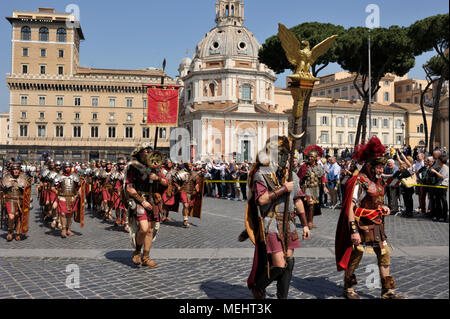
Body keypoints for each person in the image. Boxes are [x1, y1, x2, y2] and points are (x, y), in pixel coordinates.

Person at [335, 136, 404, 299]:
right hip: (361, 225)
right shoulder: (359, 181)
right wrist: (353, 232)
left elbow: (375, 202)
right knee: (357, 252)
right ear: (369, 166)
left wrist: (383, 207)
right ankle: (348, 287)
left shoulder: (379, 182)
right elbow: (351, 209)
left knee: (384, 253)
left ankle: (387, 290)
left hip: (377, 225)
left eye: (382, 167)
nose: (381, 170)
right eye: (379, 167)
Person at [242, 136, 310, 299]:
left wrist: (305, 224)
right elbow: (262, 199)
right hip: (270, 222)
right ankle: (258, 287)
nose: (284, 158)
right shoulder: (262, 174)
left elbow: (298, 200)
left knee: (289, 263)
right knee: (279, 265)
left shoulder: (292, 175)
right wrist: (283, 189)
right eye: (280, 154)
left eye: (286, 154)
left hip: (289, 223)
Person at [125, 142, 161, 267]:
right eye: (145, 150)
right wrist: (142, 201)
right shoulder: (133, 167)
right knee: (144, 228)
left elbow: (167, 183)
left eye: (149, 150)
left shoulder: (156, 167)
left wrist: (158, 179)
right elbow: (129, 188)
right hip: (140, 200)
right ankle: (137, 251)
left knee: (150, 230)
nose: (147, 152)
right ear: (139, 153)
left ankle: (146, 257)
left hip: (153, 200)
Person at [297, 145, 327, 228]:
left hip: (315, 188)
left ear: (315, 158)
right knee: (309, 204)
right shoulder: (304, 166)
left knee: (313, 205)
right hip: (306, 188)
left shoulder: (319, 167)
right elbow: (298, 177)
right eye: (309, 156)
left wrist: (324, 187)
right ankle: (307, 222)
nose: (309, 158)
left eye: (311, 157)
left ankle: (310, 221)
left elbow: (322, 178)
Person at [1, 163, 30, 241]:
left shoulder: (23, 178)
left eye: (17, 169)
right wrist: (4, 195)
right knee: (11, 217)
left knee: (19, 217)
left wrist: (26, 198)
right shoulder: (6, 178)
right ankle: (10, 232)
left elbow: (27, 191)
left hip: (20, 201)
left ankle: (17, 233)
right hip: (10, 200)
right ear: (11, 170)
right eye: (14, 169)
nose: (16, 171)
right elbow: (2, 189)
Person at [52, 162, 82, 238]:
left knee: (70, 215)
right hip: (62, 197)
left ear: (71, 167)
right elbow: (52, 187)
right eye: (66, 167)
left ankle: (69, 229)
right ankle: (63, 229)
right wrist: (57, 192)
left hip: (72, 198)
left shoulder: (75, 176)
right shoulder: (59, 176)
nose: (67, 168)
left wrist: (80, 195)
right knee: (62, 214)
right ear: (64, 168)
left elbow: (79, 187)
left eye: (69, 167)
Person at [429, 155, 448, 222]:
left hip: (443, 186)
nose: (437, 161)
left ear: (441, 161)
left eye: (438, 160)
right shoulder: (440, 167)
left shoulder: (445, 168)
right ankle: (438, 215)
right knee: (437, 201)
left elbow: (442, 177)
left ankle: (444, 216)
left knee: (443, 201)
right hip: (438, 186)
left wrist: (435, 172)